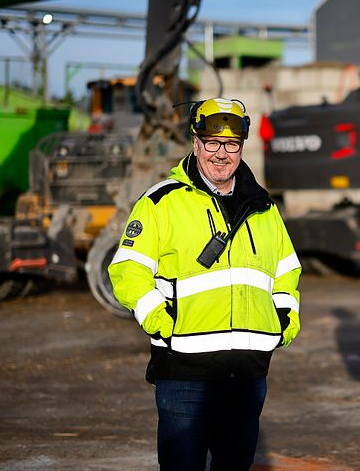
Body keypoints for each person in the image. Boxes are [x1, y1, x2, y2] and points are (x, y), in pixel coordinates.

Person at [108, 98, 301, 471]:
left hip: (247, 372)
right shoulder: (161, 202)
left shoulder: (263, 208)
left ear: (241, 148)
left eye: (231, 144)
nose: (221, 153)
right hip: (185, 374)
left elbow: (287, 270)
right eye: (212, 142)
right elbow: (127, 269)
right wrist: (162, 322)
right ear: (195, 144)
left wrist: (282, 321)